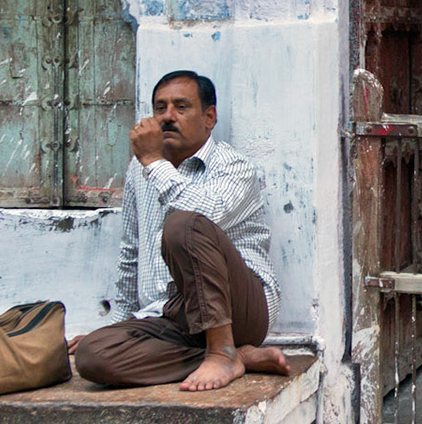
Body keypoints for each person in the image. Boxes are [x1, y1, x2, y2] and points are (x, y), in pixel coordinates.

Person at [71, 71, 290, 392]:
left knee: (183, 224)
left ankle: (224, 348)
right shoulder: (140, 169)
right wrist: (119, 326)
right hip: (174, 317)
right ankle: (234, 356)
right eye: (160, 108)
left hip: (241, 309)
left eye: (181, 107)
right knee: (94, 355)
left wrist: (153, 162)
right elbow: (130, 252)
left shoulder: (234, 167)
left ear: (209, 117)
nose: (168, 117)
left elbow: (205, 215)